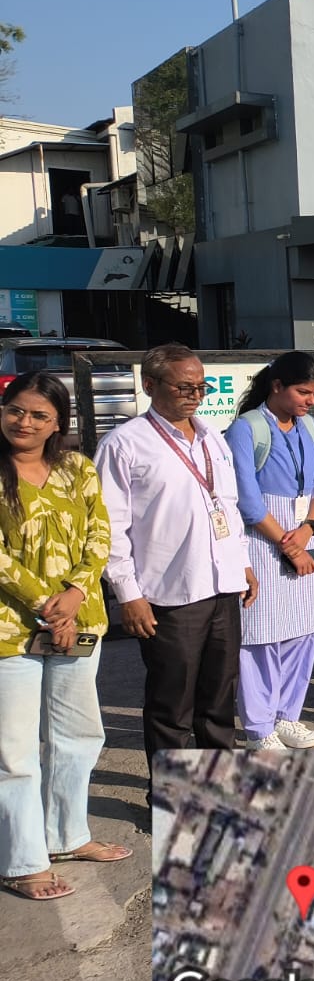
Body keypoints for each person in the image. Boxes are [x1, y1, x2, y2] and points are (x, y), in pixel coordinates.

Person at [0, 373, 128, 901]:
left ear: (58, 424)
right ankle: (21, 860)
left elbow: (100, 530)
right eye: (15, 410)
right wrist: (45, 606)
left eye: (38, 415)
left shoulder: (78, 467)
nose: (23, 422)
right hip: (10, 630)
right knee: (15, 752)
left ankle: (66, 836)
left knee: (79, 736)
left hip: (81, 619)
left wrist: (76, 593)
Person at [96, 344, 256, 761]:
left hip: (221, 585)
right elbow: (109, 527)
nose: (195, 396)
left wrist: (243, 562)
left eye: (201, 387)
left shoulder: (211, 438)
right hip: (169, 594)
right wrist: (128, 594)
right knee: (173, 706)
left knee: (220, 701)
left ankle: (216, 788)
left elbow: (229, 505)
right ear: (150, 385)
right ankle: (170, 797)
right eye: (185, 387)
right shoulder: (124, 444)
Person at [226, 352, 314, 751]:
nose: (310, 400)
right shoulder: (246, 429)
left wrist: (308, 528)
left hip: (305, 533)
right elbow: (249, 501)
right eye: (303, 392)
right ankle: (258, 727)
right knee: (262, 636)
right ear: (276, 387)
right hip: (265, 538)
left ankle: (288, 715)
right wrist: (288, 545)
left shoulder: (310, 427)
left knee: (304, 631)